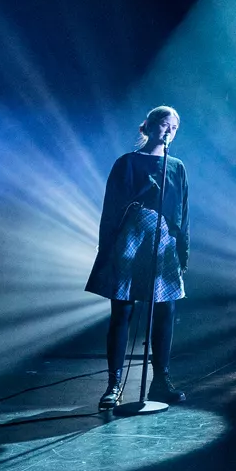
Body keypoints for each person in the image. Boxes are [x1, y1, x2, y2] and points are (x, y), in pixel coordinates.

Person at [86, 106, 189, 408]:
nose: (169, 131)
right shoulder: (127, 162)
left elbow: (183, 211)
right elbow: (111, 207)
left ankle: (161, 381)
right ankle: (114, 384)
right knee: (123, 309)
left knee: (165, 309)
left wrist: (182, 248)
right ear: (150, 126)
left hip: (163, 240)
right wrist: (107, 247)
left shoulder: (177, 167)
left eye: (174, 128)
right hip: (131, 237)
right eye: (164, 125)